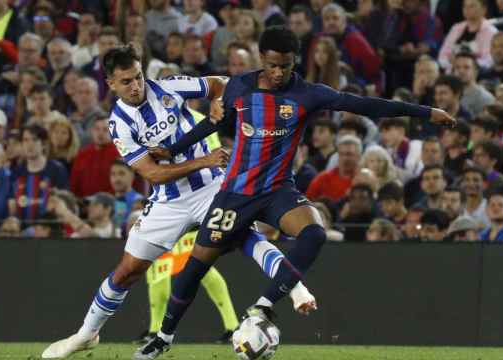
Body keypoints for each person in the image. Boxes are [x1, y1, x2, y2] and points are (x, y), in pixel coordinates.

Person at [138, 26, 455, 358]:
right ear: (262, 58)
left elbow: (364, 104)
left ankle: (261, 307)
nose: (278, 73)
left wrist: (426, 112)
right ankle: (163, 337)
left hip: (278, 191)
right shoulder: (238, 88)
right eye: (273, 65)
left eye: (285, 66)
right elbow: (214, 123)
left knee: (315, 233)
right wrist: (173, 149)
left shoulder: (308, 93)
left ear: (295, 62)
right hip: (235, 193)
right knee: (194, 268)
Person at [41, 45, 312, 359]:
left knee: (245, 235)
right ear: (111, 84)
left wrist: (218, 103)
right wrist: (203, 160)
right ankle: (86, 335)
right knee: (127, 271)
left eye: (139, 77)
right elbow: (153, 174)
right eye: (126, 81)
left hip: (211, 187)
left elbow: (220, 84)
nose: (136, 86)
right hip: (169, 201)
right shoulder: (120, 124)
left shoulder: (168, 86)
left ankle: (295, 288)